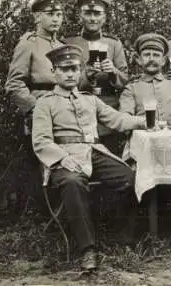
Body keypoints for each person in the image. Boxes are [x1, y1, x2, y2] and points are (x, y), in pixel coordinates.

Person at [32, 44, 146, 270]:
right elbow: (41, 141)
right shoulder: (45, 102)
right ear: (54, 72)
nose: (70, 74)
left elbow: (118, 120)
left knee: (130, 178)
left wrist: (146, 121)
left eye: (74, 69)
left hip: (94, 152)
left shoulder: (89, 99)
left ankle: (124, 238)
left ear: (80, 71)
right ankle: (88, 249)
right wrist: (63, 159)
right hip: (63, 156)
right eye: (64, 69)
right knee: (73, 182)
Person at [4, 0, 65, 212]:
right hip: (39, 108)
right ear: (37, 17)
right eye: (50, 13)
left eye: (59, 13)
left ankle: (64, 210)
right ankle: (45, 214)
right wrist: (34, 108)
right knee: (43, 163)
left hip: (63, 107)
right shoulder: (28, 44)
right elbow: (14, 85)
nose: (56, 18)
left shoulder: (61, 46)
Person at [65, 0, 130, 157]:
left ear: (104, 17)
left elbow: (125, 81)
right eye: (88, 13)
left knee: (110, 157)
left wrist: (113, 72)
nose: (93, 18)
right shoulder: (69, 43)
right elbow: (61, 80)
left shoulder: (113, 44)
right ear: (80, 15)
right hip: (77, 109)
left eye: (97, 13)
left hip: (108, 109)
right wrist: (86, 75)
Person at [119, 33, 171, 125]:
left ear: (163, 60)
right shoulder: (131, 89)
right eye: (146, 55)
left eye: (156, 55)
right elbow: (125, 118)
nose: (151, 59)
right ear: (138, 59)